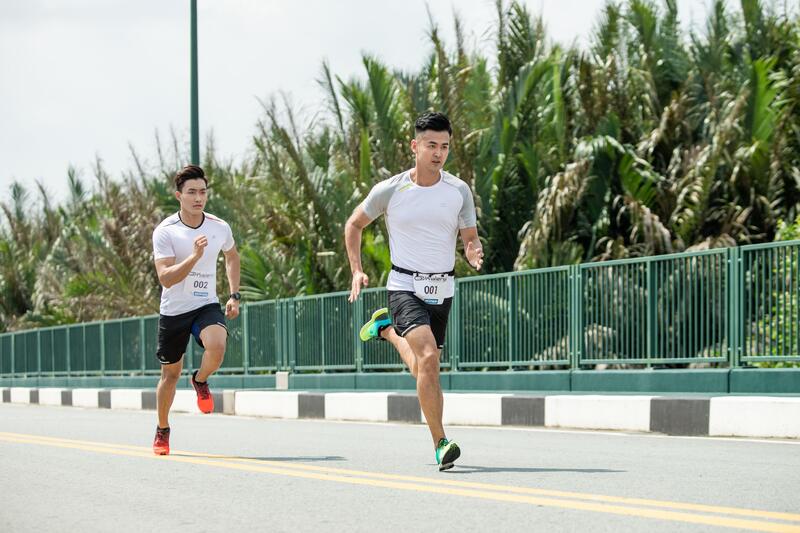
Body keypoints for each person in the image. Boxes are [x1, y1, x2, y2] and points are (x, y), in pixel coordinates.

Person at [345, 112, 484, 471]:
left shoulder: (458, 190)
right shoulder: (391, 189)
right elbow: (354, 224)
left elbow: (469, 237)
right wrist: (357, 270)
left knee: (426, 365)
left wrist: (472, 251)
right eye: (431, 145)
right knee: (428, 359)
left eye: (445, 147)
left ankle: (386, 330)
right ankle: (440, 442)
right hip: (404, 284)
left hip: (443, 285)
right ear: (415, 146)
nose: (438, 153)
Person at [150, 164, 241, 455]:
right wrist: (194, 257)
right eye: (191, 192)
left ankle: (200, 380)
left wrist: (234, 295)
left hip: (206, 304)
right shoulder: (166, 231)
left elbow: (232, 256)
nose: (198, 197)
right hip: (174, 309)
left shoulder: (219, 226)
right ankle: (162, 429)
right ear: (179, 195)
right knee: (170, 375)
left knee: (217, 343)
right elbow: (165, 277)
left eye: (202, 191)